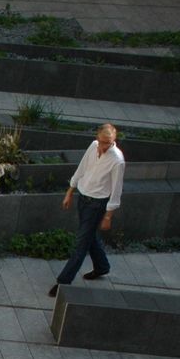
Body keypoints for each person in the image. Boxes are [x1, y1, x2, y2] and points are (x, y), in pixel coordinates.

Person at [49, 123, 124, 298]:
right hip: (83, 198)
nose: (104, 146)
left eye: (109, 142)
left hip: (97, 205)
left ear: (114, 140)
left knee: (80, 244)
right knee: (89, 236)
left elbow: (117, 189)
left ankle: (63, 282)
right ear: (97, 138)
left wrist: (108, 216)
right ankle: (102, 267)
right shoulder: (93, 146)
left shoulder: (117, 160)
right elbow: (82, 168)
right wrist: (70, 191)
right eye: (102, 142)